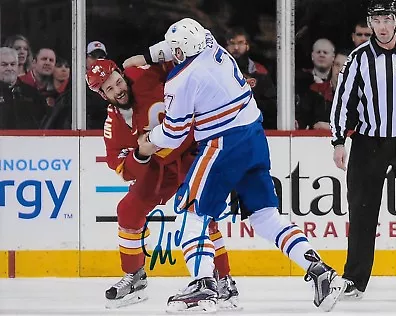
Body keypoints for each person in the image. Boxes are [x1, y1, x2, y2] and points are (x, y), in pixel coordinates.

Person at [125, 17, 344, 313]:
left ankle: (203, 286)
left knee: (190, 212)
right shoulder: (212, 44)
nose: (172, 53)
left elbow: (174, 134)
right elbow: (177, 46)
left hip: (223, 142)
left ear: (182, 51)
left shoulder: (182, 79)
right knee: (265, 216)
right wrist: (144, 56)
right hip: (253, 134)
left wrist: (147, 140)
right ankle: (320, 272)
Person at [86, 59, 238, 309]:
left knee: (201, 215)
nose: (118, 89)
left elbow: (180, 61)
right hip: (158, 166)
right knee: (128, 210)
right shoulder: (113, 126)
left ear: (122, 74)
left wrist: (149, 55)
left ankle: (224, 281)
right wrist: (142, 154)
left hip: (192, 152)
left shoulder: (143, 74)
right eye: (110, 89)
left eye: (117, 81)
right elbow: (124, 169)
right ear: (103, 95)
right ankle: (135, 278)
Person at [330, 0, 396, 301]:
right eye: (377, 20)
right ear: (370, 24)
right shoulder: (358, 58)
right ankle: (355, 279)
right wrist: (338, 140)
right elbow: (342, 101)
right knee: (361, 213)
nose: (382, 26)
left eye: (387, 19)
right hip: (368, 143)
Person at [0, 47, 47, 129]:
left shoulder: (32, 93)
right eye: (4, 65)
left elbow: (44, 123)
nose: (9, 68)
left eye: (13, 64)